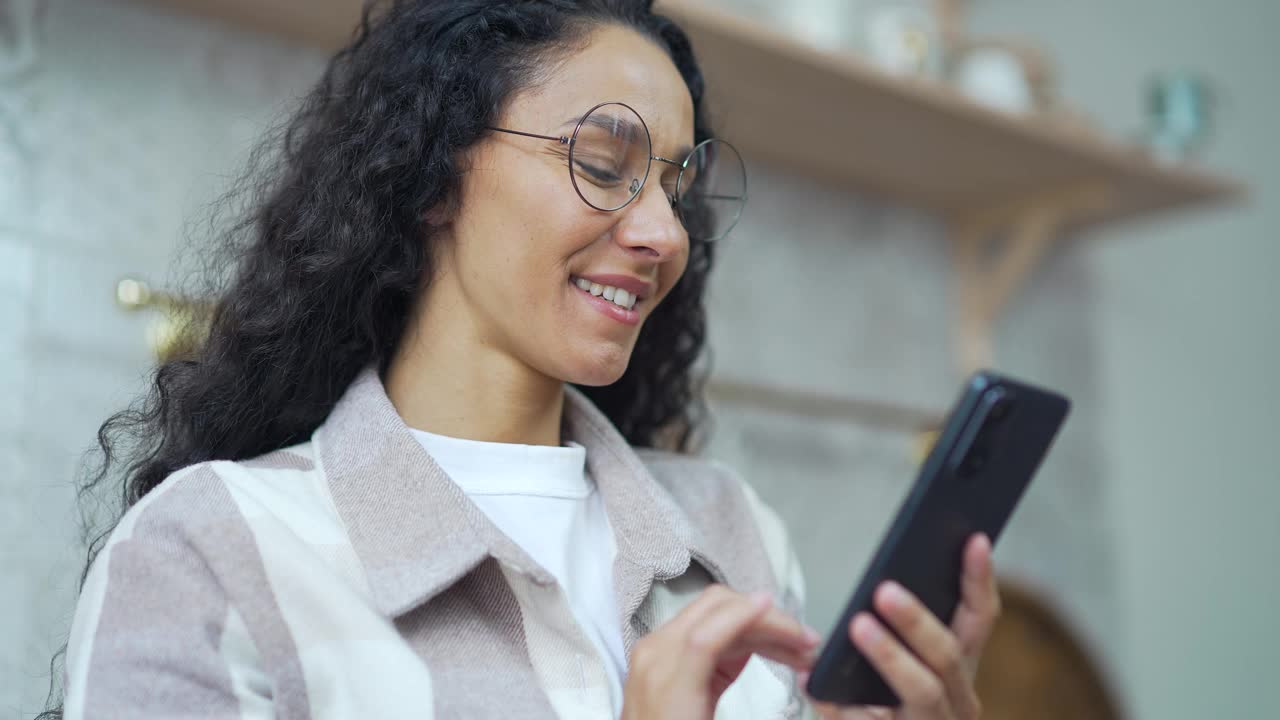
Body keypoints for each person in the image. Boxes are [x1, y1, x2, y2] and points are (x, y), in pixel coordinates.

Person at [48, 1, 1001, 718]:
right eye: (603, 160)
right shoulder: (214, 552)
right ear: (433, 175)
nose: (665, 231)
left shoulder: (732, 534)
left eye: (678, 184)